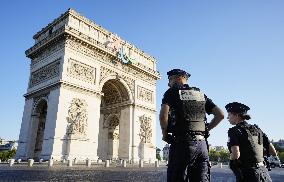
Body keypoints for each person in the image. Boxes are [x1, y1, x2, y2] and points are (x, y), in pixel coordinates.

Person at [160, 69, 224, 182]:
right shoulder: (200, 94)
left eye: (170, 79)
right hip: (202, 146)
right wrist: (207, 128)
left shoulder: (171, 92)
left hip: (182, 144)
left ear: (179, 78)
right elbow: (220, 115)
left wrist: (165, 134)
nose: (168, 83)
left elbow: (163, 116)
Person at [226, 102, 278, 182]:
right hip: (264, 173)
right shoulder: (257, 129)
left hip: (249, 174)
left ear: (236, 115)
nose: (227, 117)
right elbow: (273, 152)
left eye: (229, 115)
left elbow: (236, 155)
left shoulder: (233, 131)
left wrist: (231, 160)